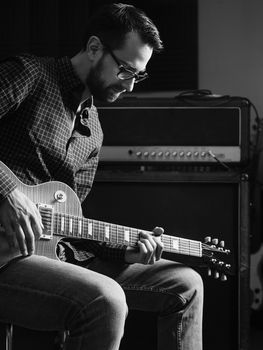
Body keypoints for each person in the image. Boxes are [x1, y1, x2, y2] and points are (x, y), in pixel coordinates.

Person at [0, 3, 203, 350]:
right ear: (94, 48)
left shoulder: (93, 130)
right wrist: (7, 192)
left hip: (52, 253)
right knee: (106, 299)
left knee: (186, 283)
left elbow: (72, 231)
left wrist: (127, 253)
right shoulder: (29, 74)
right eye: (126, 70)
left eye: (138, 75)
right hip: (8, 257)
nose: (131, 86)